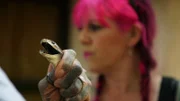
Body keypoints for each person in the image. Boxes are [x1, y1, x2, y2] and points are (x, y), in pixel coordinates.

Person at [38, 0, 180, 101]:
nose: (82, 38)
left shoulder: (174, 93)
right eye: (80, 28)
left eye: (94, 27)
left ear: (133, 34)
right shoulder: (78, 92)